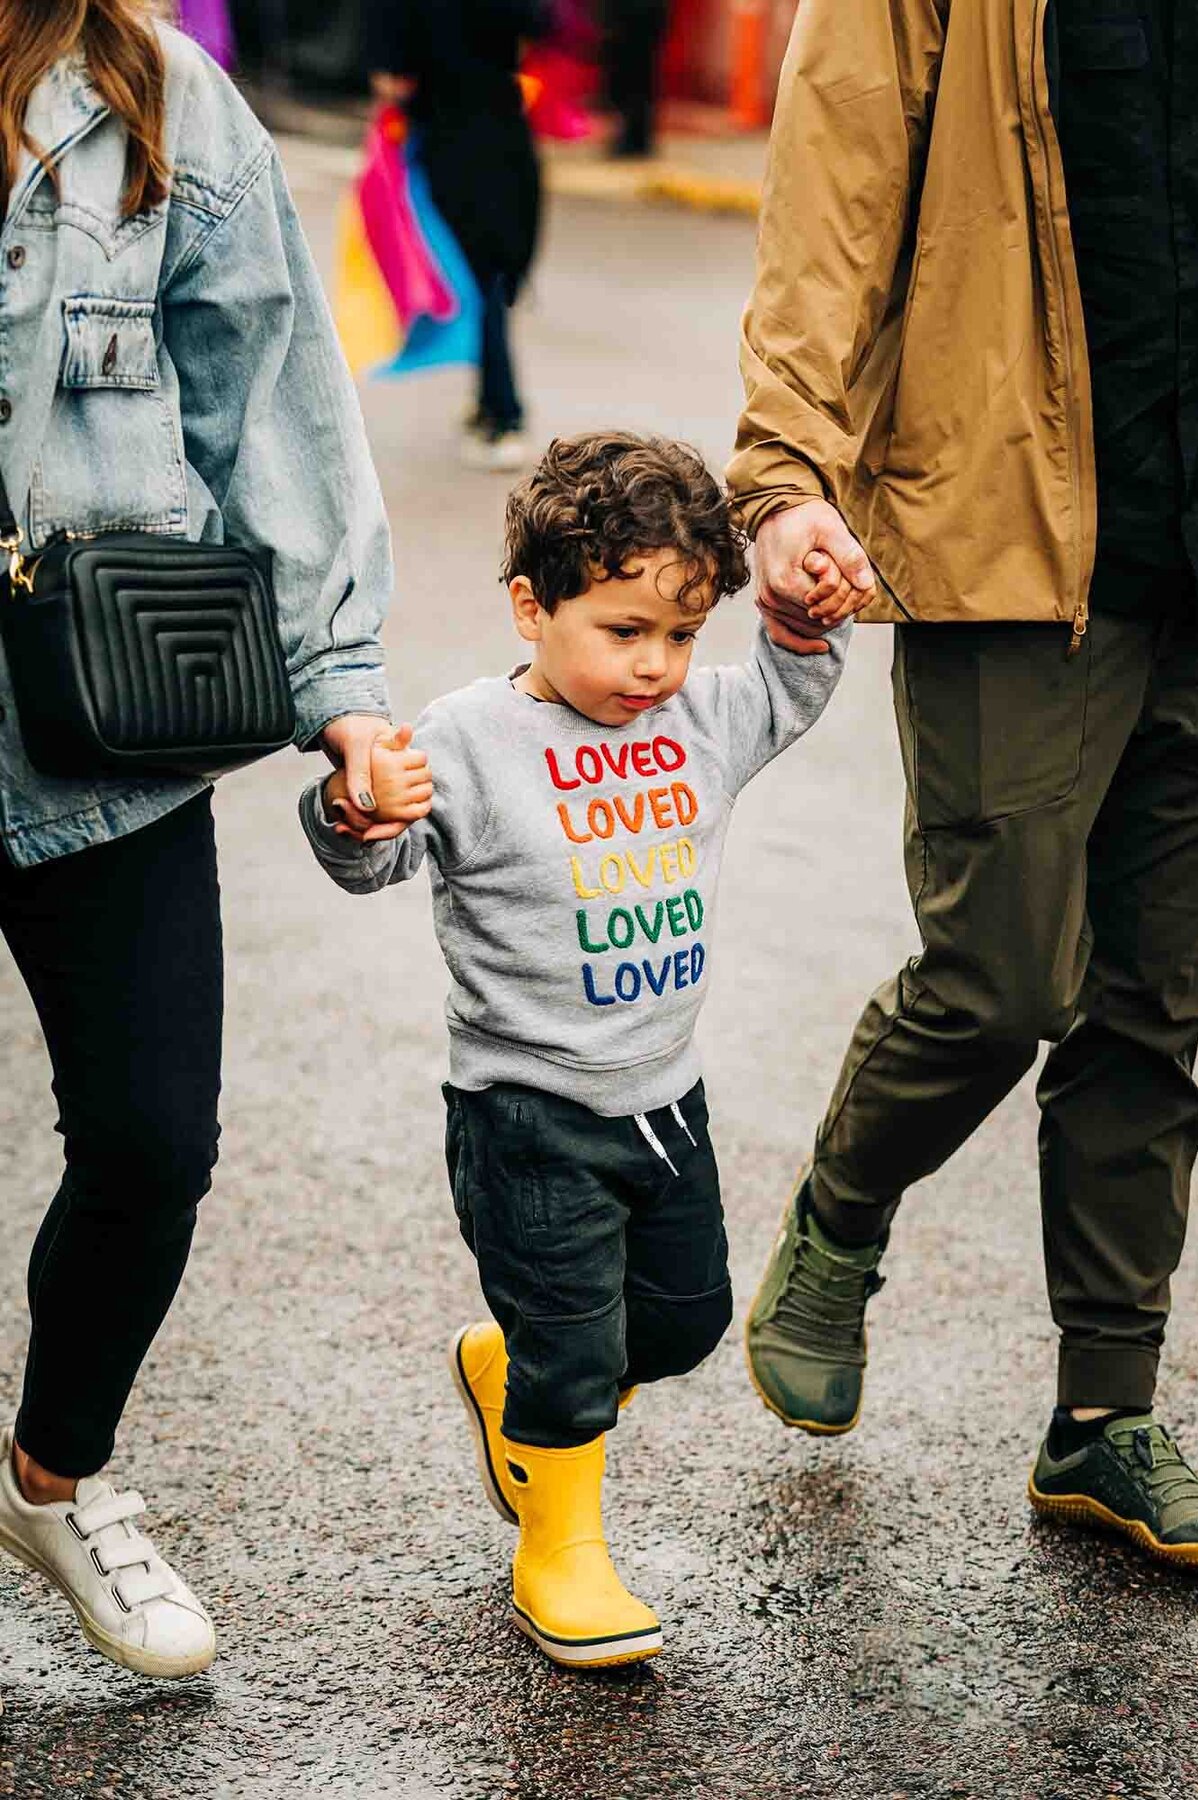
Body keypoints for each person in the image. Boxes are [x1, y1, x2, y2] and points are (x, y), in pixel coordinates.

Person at [732, 0, 1198, 1567]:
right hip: (1013, 533)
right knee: (1003, 976)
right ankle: (844, 1207)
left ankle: (1105, 1422)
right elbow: (837, 186)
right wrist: (786, 471)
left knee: (1161, 1002)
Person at [301, 432, 848, 1666]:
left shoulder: (697, 718)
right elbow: (375, 855)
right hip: (524, 1112)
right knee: (578, 1349)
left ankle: (514, 1369)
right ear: (531, 607)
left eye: (679, 635)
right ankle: (561, 1547)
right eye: (621, 631)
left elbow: (785, 689)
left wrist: (806, 613)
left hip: (663, 1099)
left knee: (686, 1320)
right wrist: (355, 802)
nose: (655, 666)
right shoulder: (472, 739)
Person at [0, 0, 394, 1676]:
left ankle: (50, 1477)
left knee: (153, 1138)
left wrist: (342, 686)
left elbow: (275, 396)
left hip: (97, 718)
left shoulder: (158, 97)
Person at [364, 1, 548, 473]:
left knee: (476, 277)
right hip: (508, 135)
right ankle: (491, 404)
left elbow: (392, 77)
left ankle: (505, 414)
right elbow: (535, 27)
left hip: (448, 142)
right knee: (496, 273)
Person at [602, 0, 669, 159]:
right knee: (636, 83)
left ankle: (634, 137)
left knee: (634, 84)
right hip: (637, 24)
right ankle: (635, 137)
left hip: (633, 25)